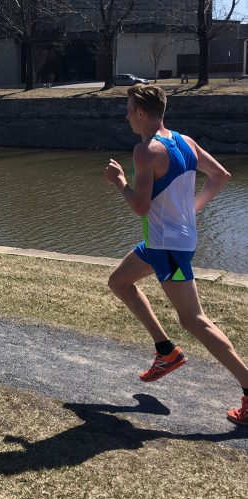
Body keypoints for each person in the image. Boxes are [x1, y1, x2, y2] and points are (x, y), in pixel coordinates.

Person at [104, 83, 248, 426]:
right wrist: (190, 212)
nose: (126, 117)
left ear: (141, 113)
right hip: (161, 244)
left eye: (128, 110)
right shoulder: (185, 141)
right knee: (119, 282)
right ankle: (166, 351)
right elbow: (220, 176)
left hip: (167, 247)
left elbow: (140, 206)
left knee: (194, 320)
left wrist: (119, 181)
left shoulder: (146, 150)